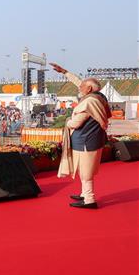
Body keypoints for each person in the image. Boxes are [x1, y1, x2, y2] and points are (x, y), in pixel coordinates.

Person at [51, 62, 111, 209]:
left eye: (82, 87)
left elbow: (75, 123)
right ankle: (85, 194)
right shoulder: (98, 97)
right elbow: (80, 82)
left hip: (86, 140)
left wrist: (67, 121)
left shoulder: (88, 102)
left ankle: (89, 200)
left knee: (85, 172)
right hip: (91, 139)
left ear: (89, 89)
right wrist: (65, 72)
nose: (79, 87)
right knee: (85, 169)